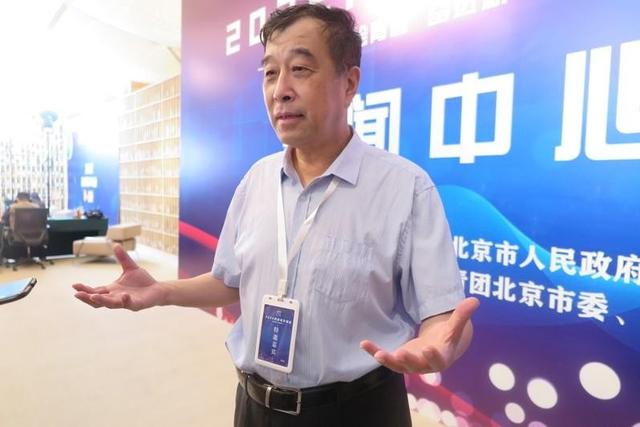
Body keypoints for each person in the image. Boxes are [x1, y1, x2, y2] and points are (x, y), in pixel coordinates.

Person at [72, 4, 479, 426]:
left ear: (349, 82)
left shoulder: (405, 188)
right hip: (255, 406)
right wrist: (162, 291)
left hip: (358, 410)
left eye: (300, 69)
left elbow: (444, 315)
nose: (280, 90)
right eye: (269, 73)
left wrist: (438, 340)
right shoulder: (257, 180)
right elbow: (230, 281)